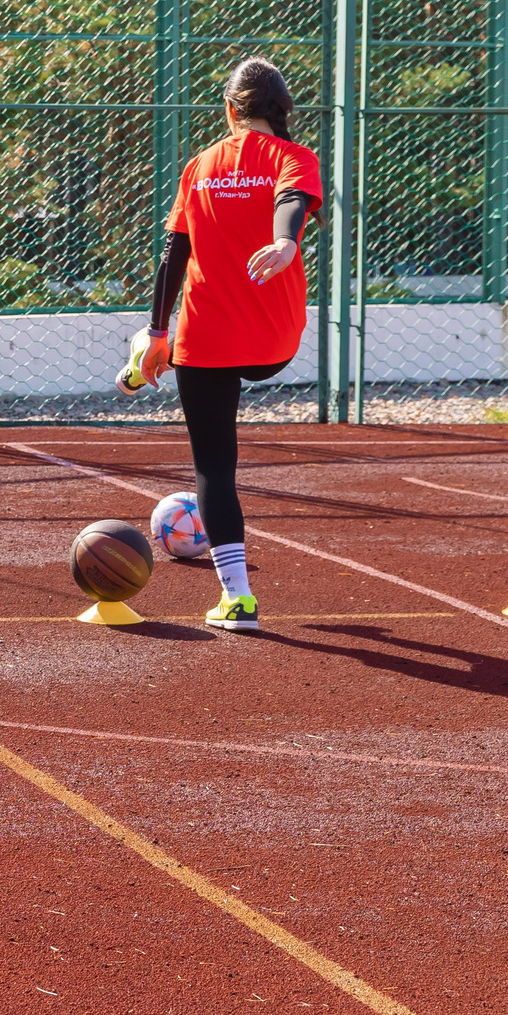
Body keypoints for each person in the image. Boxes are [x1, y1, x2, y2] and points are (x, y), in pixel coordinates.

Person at [129, 60, 321, 631]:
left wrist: (157, 333)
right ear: (281, 111)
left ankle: (237, 600)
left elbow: (173, 255)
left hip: (205, 336)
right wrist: (285, 244)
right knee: (249, 381)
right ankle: (234, 599)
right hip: (272, 338)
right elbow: (291, 201)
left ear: (230, 109)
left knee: (215, 464)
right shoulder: (295, 157)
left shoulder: (200, 165)